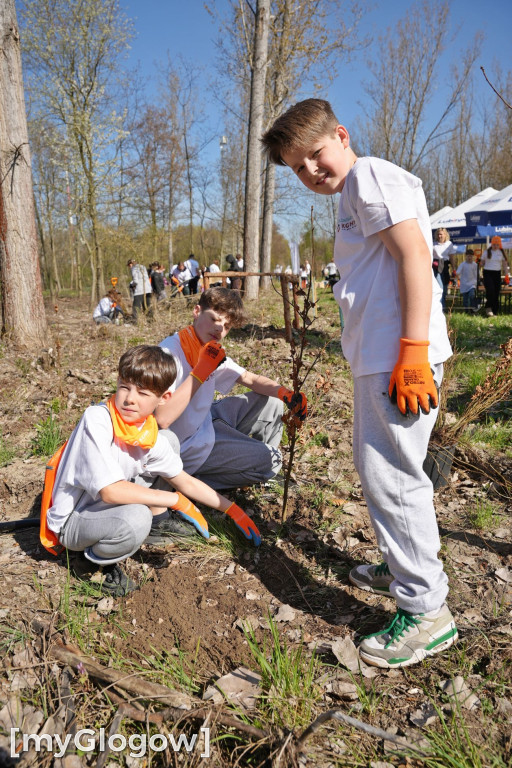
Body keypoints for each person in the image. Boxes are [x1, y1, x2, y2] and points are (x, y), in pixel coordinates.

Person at [262, 98, 456, 669]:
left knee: (391, 477)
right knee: (382, 468)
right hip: (381, 355)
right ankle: (404, 568)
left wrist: (414, 352)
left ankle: (426, 612)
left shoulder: (369, 175)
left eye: (316, 155)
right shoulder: (351, 193)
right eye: (298, 168)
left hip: (399, 356)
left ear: (341, 135)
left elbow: (414, 257)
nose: (311, 172)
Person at [42, 345, 262, 597]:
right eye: (124, 386)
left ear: (163, 398)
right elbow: (110, 492)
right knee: (137, 519)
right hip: (74, 520)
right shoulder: (98, 419)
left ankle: (148, 526)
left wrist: (231, 509)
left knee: (169, 440)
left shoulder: (146, 433)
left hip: (104, 510)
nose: (129, 398)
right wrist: (175, 500)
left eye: (143, 392)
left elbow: (184, 481)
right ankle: (90, 562)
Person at [156, 286, 307, 490]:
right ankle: (189, 482)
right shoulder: (168, 353)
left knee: (273, 402)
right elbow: (161, 419)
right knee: (274, 460)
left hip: (206, 421)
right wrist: (200, 372)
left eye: (227, 326)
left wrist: (285, 393)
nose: (220, 329)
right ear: (196, 311)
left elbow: (248, 378)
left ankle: (261, 471)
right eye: (215, 319)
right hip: (190, 445)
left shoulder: (208, 349)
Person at [481, 236, 510, 317]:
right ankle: (488, 307)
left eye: (497, 245)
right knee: (491, 290)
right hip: (487, 273)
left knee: (496, 292)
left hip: (497, 273)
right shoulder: (487, 252)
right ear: (491, 244)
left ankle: (495, 311)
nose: (495, 246)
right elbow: (482, 263)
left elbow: (504, 264)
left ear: (499, 244)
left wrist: (507, 274)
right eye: (494, 244)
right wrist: (480, 262)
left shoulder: (501, 252)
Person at [433, 228, 457, 310]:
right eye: (438, 234)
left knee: (445, 287)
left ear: (445, 235)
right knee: (440, 288)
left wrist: (454, 269)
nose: (439, 236)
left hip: (445, 266)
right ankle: (441, 308)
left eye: (441, 234)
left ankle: (442, 305)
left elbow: (452, 258)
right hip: (436, 267)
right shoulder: (433, 244)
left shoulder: (449, 244)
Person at [456, 249, 479, 313]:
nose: (469, 257)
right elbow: (458, 272)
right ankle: (466, 311)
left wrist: (477, 282)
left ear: (473, 257)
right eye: (468, 256)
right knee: (465, 300)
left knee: (472, 296)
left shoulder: (475, 265)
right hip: (464, 284)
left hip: (472, 284)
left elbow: (477, 274)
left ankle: (472, 310)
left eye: (471, 256)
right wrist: (458, 276)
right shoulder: (462, 264)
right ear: (466, 256)